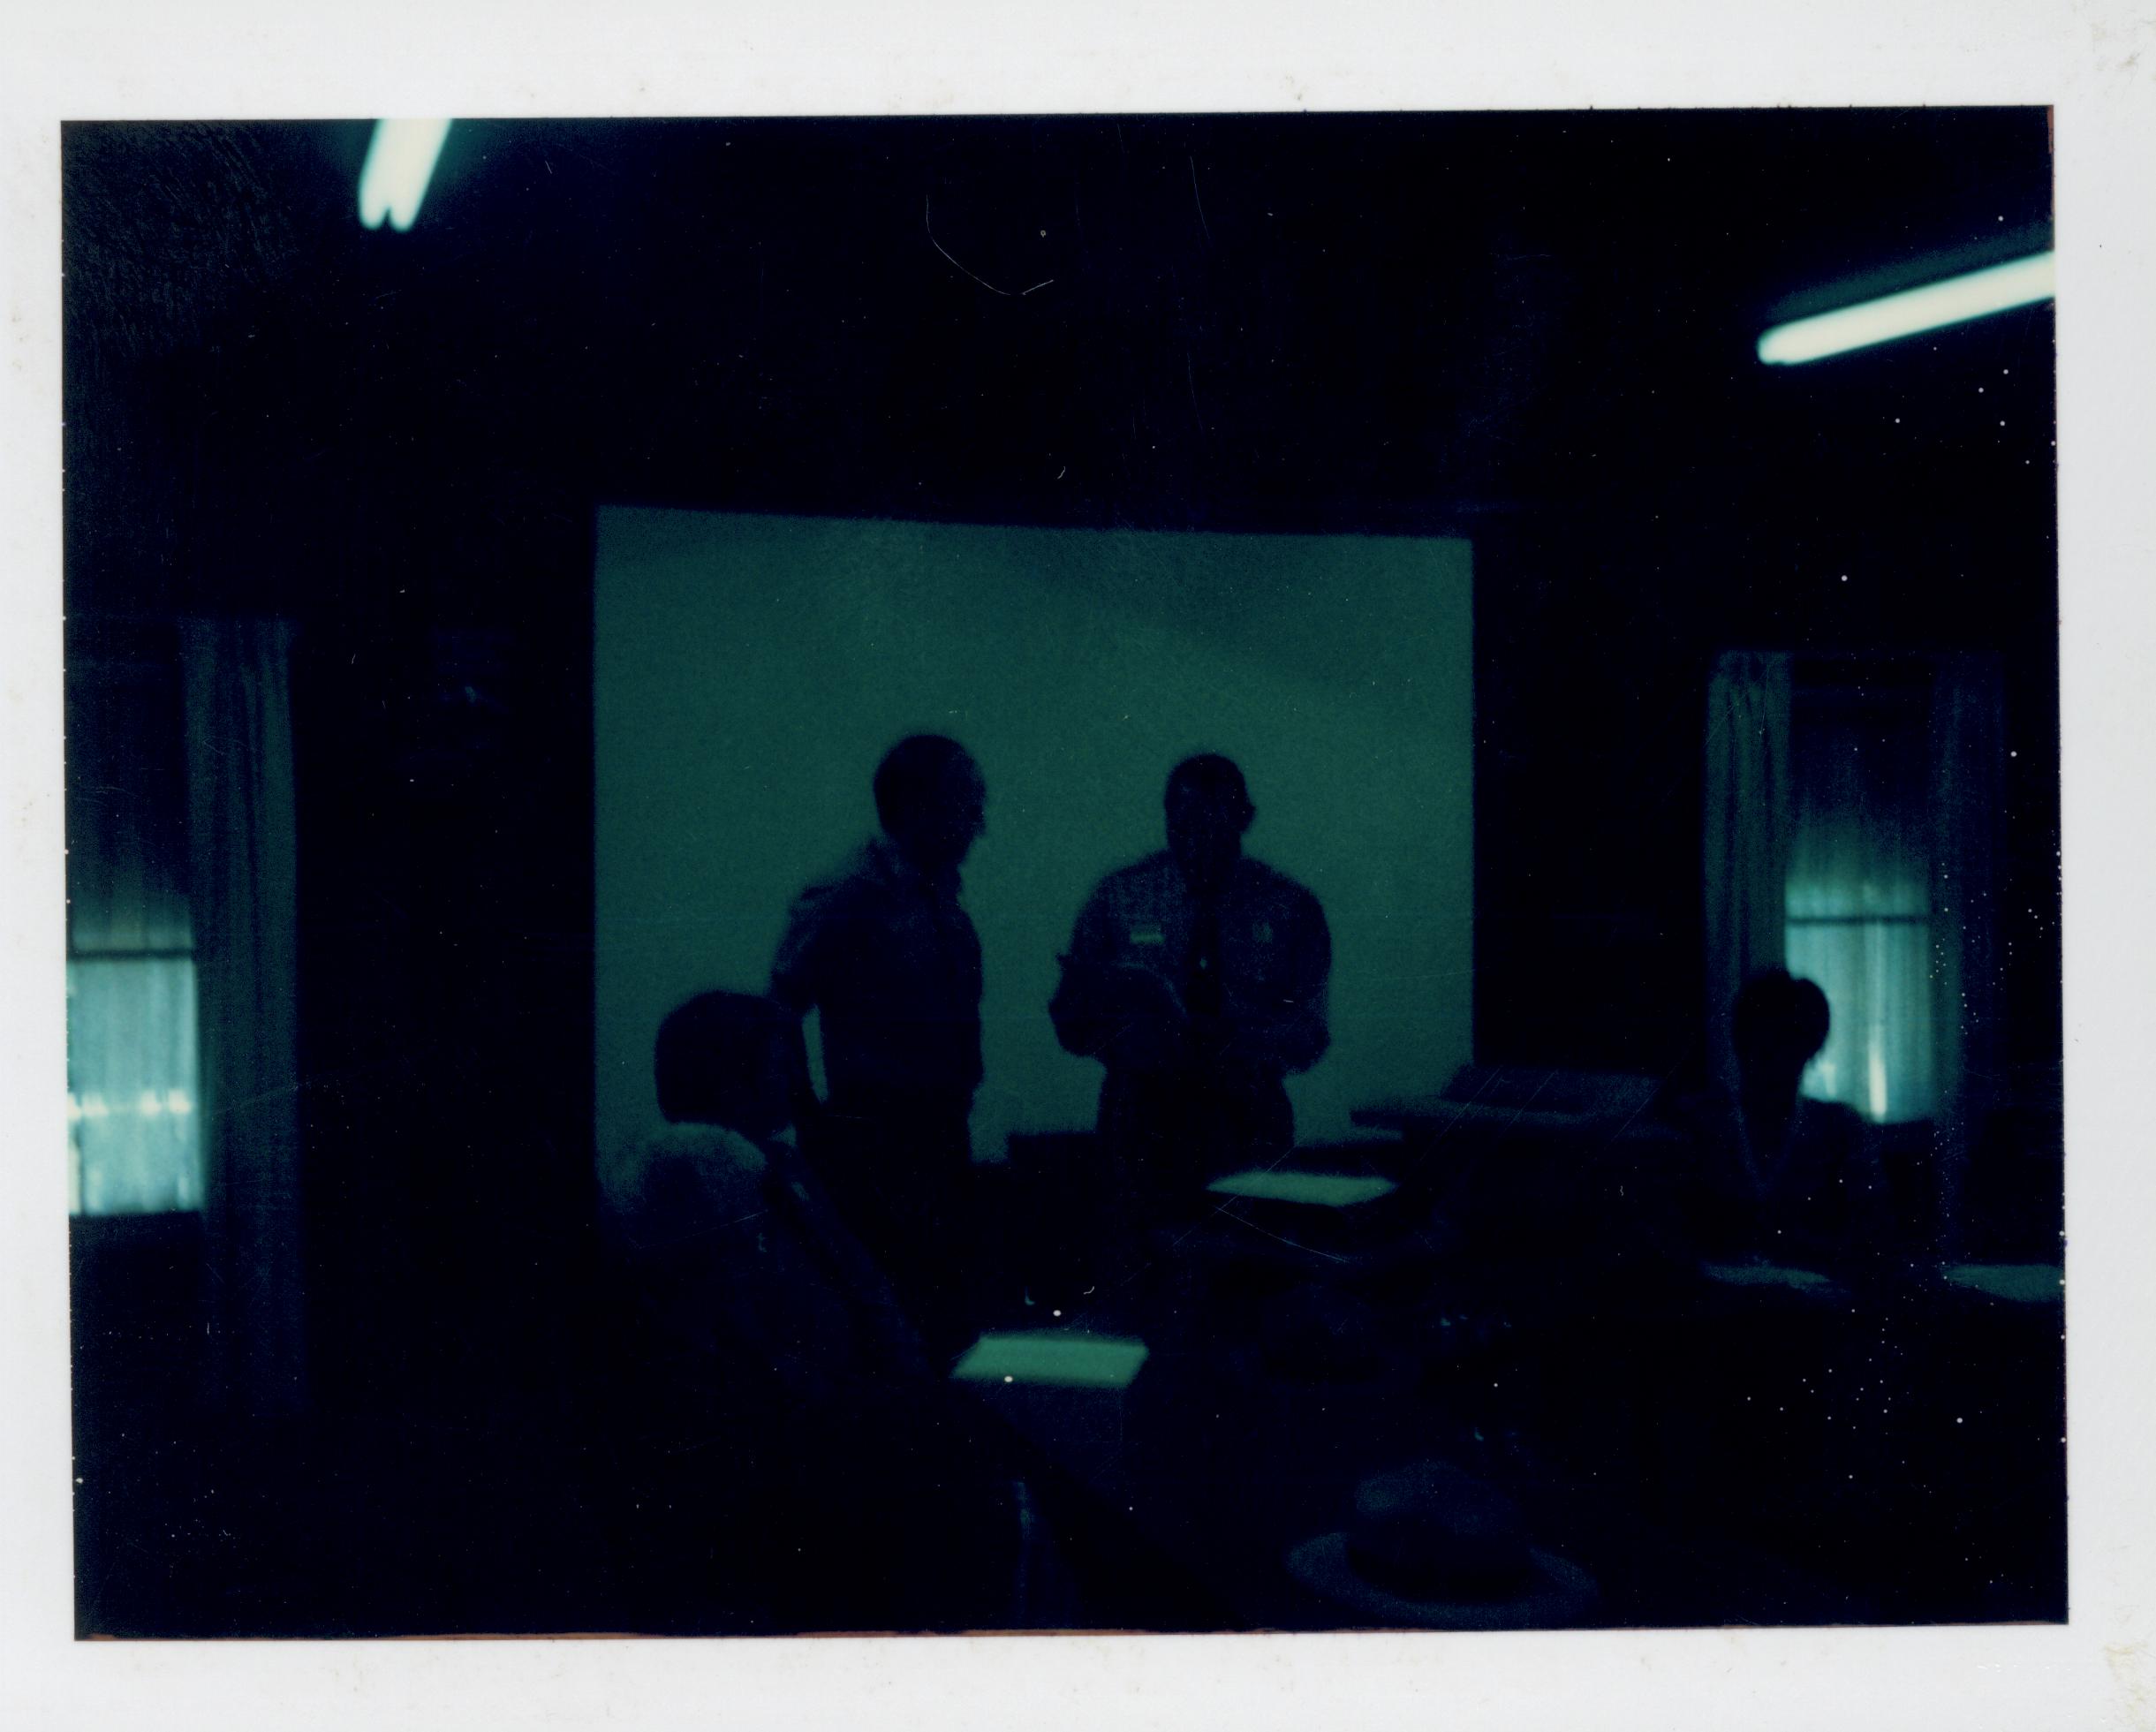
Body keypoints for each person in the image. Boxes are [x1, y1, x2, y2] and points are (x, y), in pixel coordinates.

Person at [597, 990, 1017, 1631]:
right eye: (777, 1065)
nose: (795, 1082)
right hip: (808, 1433)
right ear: (732, 1075)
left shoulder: (773, 1163)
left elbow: (852, 1290)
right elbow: (765, 1328)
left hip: (838, 1411)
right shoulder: (703, 1167)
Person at [768, 735, 987, 1362]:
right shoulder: (850, 892)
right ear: (918, 807)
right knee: (896, 1311)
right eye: (965, 804)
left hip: (941, 1127)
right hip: (877, 1133)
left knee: (944, 1305)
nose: (979, 823)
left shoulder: (938, 893)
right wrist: (810, 1118)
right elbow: (782, 1002)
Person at [1051, 753, 1332, 1226]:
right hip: (1141, 1114)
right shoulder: (1121, 897)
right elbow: (1073, 1029)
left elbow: (1310, 1033)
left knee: (1249, 1268)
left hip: (1245, 1113)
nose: (1193, 846)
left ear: (1245, 818)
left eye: (1211, 829)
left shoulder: (1289, 908)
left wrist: (1236, 1038)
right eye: (1180, 829)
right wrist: (1095, 1012)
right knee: (1139, 1261)